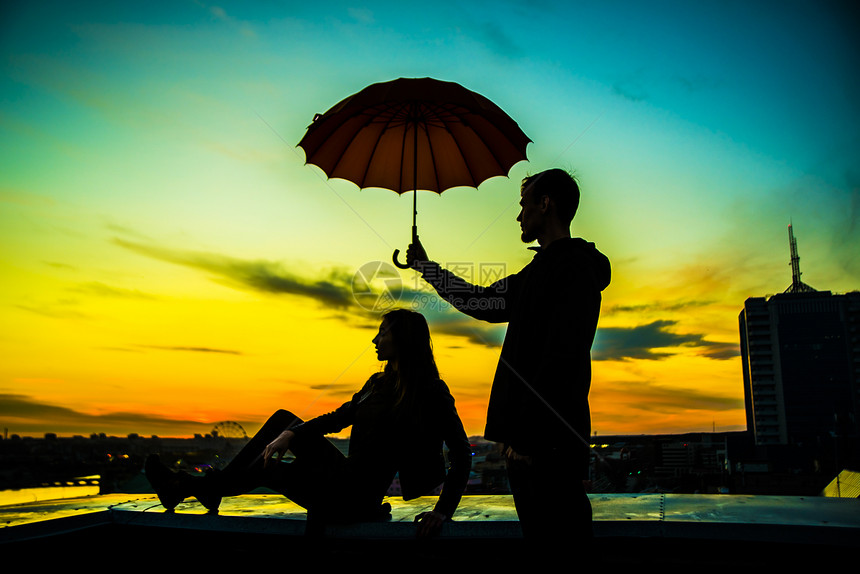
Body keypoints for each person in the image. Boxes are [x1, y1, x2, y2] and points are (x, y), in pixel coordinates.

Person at [406, 168, 611, 545]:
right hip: (533, 444)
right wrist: (426, 267)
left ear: (545, 204)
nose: (518, 216)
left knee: (562, 555)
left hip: (546, 445)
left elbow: (562, 360)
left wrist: (530, 439)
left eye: (523, 205)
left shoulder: (574, 268)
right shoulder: (539, 271)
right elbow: (481, 300)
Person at [144, 309, 472, 538]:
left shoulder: (429, 392)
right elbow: (337, 419)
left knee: (266, 467)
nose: (374, 340)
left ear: (402, 340)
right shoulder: (376, 383)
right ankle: (201, 489)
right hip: (343, 475)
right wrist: (290, 434)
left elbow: (461, 453)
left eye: (382, 333)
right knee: (285, 420)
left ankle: (191, 488)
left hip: (356, 498)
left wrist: (442, 511)